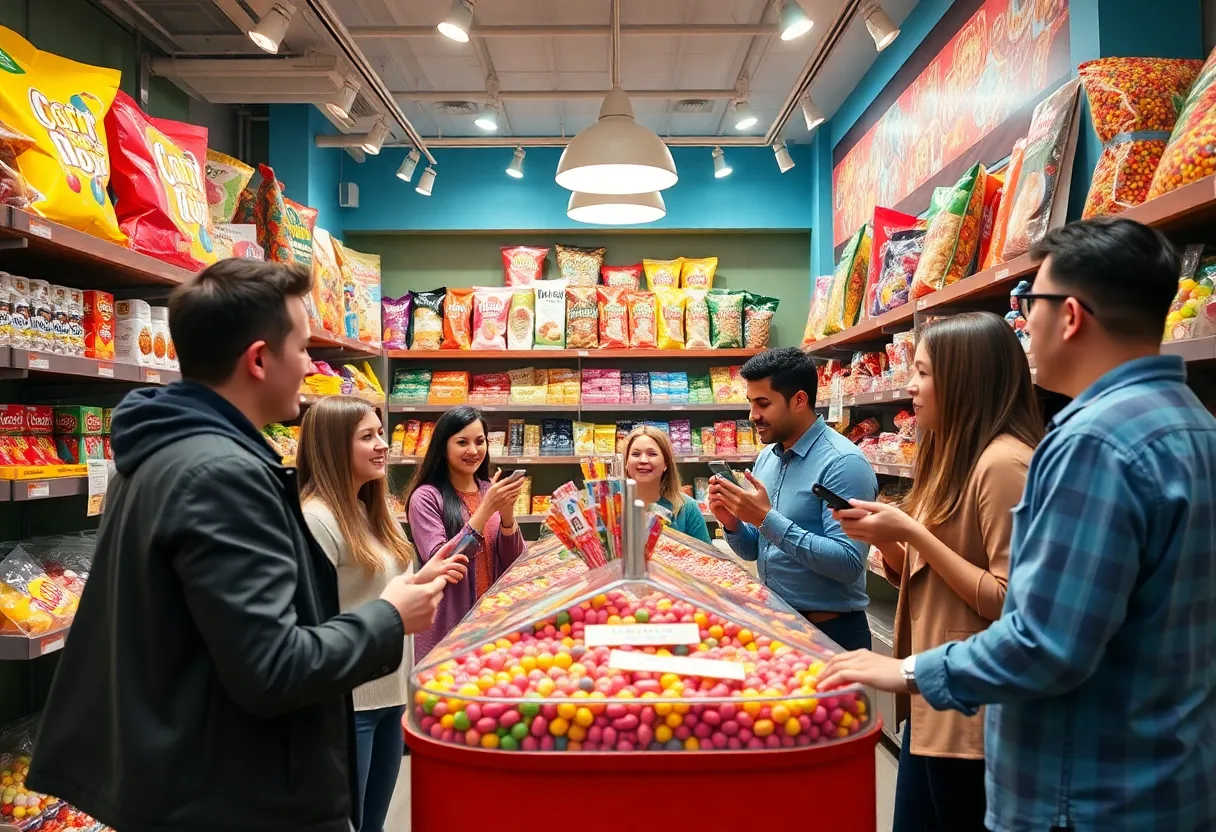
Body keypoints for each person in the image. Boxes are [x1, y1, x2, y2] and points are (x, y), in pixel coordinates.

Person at [819, 217, 1216, 832]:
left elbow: (1045, 641)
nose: (1024, 323)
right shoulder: (1194, 425)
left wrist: (907, 670)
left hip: (1080, 792)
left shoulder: (1094, 444)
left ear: (1072, 315)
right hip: (1164, 776)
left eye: (1031, 303)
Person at [28, 259, 450, 832]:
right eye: (301, 349)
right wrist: (388, 617)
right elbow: (271, 668)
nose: (309, 366)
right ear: (258, 359)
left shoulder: (159, 454)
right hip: (226, 794)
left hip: (179, 778)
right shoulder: (219, 474)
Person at [833, 312, 1040, 832]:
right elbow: (923, 578)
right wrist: (891, 542)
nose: (910, 384)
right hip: (933, 706)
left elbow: (1008, 601)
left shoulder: (1004, 464)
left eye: (923, 372)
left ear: (964, 378)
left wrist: (911, 532)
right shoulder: (950, 455)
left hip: (974, 719)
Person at [297, 396, 469, 832]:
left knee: (373, 823)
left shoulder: (369, 510)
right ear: (334, 446)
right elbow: (314, 622)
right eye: (367, 436)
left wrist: (424, 575)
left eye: (381, 433)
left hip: (391, 695)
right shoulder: (315, 519)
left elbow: (376, 588)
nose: (382, 445)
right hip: (349, 705)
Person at [709, 347, 878, 650]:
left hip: (832, 634)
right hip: (778, 625)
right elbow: (754, 551)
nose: (753, 415)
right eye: (750, 403)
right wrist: (733, 523)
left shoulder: (843, 463)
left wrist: (765, 518)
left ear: (799, 401)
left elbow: (849, 562)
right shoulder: (767, 459)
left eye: (763, 403)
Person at [406, 406, 526, 659]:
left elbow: (515, 563)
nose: (473, 451)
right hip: (448, 629)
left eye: (480, 441)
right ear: (443, 447)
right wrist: (485, 510)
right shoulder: (426, 497)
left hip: (492, 623)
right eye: (462, 442)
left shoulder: (487, 489)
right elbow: (442, 561)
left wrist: (506, 514)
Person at [624, 425, 711, 543]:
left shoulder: (687, 508)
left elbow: (706, 558)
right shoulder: (611, 506)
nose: (643, 460)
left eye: (652, 454)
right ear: (626, 462)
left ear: (666, 463)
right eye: (635, 454)